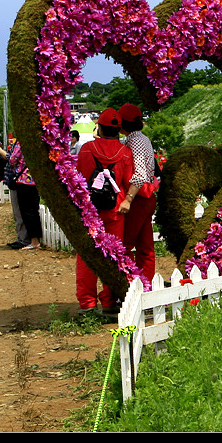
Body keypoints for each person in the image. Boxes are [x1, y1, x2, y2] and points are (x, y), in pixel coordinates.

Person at [75, 108, 134, 316]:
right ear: (118, 130)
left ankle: (87, 303)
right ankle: (109, 300)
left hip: (90, 210)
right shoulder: (125, 152)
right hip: (116, 209)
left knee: (86, 256)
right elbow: (128, 182)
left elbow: (79, 178)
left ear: (99, 127)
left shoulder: (86, 149)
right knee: (113, 255)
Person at [117, 104, 158, 287]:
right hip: (147, 197)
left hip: (138, 198)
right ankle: (146, 284)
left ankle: (131, 283)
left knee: (125, 245)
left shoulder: (134, 141)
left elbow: (140, 175)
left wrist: (128, 199)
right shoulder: (140, 138)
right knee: (146, 247)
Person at [0, 139, 41, 250]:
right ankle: (34, 240)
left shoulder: (21, 143)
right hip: (33, 180)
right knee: (33, 211)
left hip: (24, 181)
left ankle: (33, 241)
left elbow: (12, 160)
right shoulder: (37, 142)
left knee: (27, 212)